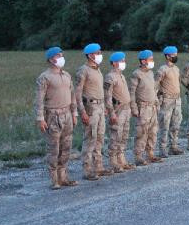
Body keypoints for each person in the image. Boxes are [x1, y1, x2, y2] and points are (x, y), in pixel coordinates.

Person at [35, 47, 78, 190]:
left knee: (66, 147)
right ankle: (54, 179)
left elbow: (73, 96)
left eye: (62, 55)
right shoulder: (44, 77)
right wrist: (40, 118)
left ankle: (63, 177)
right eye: (58, 55)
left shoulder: (66, 75)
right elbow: (39, 100)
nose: (61, 57)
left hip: (67, 115)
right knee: (54, 148)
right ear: (51, 59)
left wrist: (74, 113)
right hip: (52, 116)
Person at [75, 42, 111, 181]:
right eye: (97, 53)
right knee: (90, 138)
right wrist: (82, 111)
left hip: (100, 107)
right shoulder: (83, 70)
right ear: (90, 55)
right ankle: (87, 169)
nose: (100, 55)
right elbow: (77, 93)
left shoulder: (97, 69)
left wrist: (105, 108)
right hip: (90, 108)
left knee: (100, 137)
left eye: (100, 52)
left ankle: (99, 166)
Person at [130, 50, 163, 165]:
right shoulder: (136, 74)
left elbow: (153, 90)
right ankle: (138, 156)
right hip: (143, 108)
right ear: (143, 61)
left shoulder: (150, 73)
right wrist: (134, 108)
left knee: (153, 131)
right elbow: (132, 92)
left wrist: (157, 102)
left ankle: (150, 154)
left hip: (152, 107)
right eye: (150, 59)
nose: (152, 61)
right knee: (142, 132)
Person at [104, 52, 135, 173]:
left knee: (124, 135)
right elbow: (108, 97)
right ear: (115, 63)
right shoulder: (110, 77)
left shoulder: (121, 75)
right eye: (121, 61)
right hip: (118, 111)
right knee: (115, 136)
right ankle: (113, 161)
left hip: (126, 110)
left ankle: (122, 159)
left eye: (124, 60)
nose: (124, 62)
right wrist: (111, 113)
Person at [155, 46, 184, 158]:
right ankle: (162, 149)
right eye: (173, 54)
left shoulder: (176, 69)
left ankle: (174, 147)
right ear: (167, 56)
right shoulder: (162, 69)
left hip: (177, 100)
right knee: (165, 125)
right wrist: (156, 99)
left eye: (176, 54)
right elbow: (156, 84)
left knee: (176, 124)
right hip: (167, 101)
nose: (176, 56)